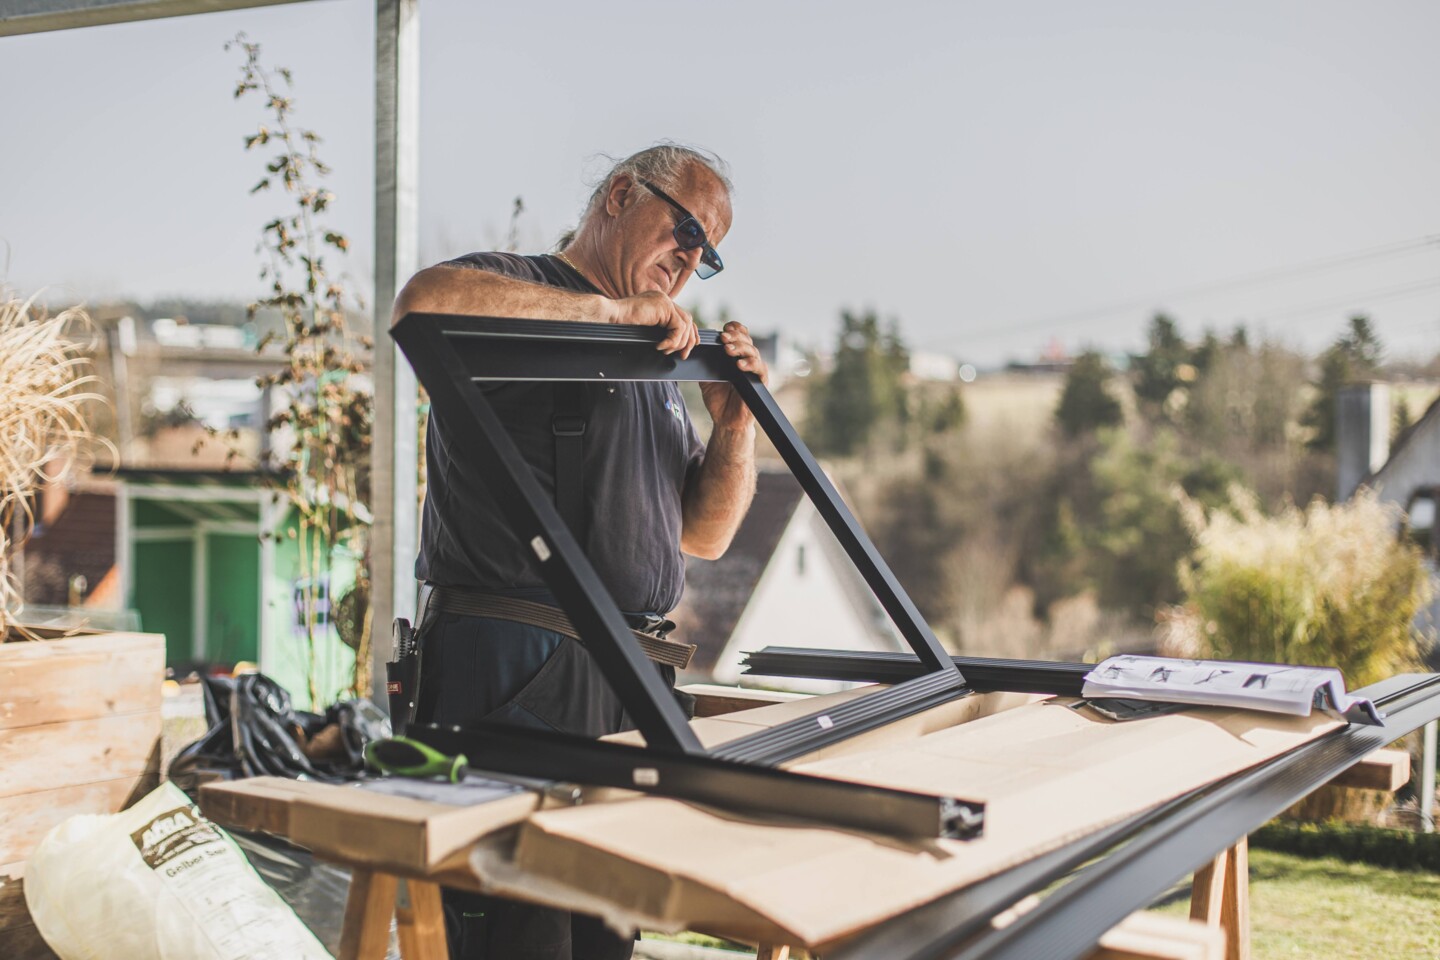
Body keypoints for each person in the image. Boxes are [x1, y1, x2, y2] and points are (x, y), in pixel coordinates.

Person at [390, 144, 766, 960]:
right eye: (685, 229)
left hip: (623, 683)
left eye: (708, 254)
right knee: (519, 938)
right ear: (621, 196)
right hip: (516, 668)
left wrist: (735, 426)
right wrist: (612, 316)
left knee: (603, 936)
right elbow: (419, 304)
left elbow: (702, 534)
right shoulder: (526, 288)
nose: (690, 260)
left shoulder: (655, 365)